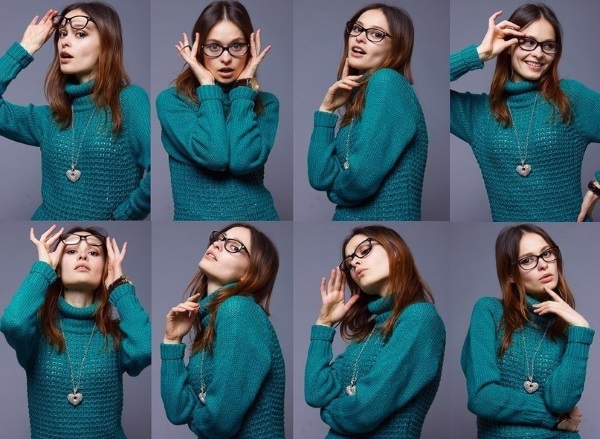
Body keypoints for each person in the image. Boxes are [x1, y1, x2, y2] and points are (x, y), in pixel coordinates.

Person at [450, 3, 600, 222]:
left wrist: (597, 186)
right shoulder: (478, 114)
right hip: (514, 235)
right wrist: (480, 53)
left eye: (548, 45)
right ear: (509, 44)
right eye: (528, 42)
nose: (538, 53)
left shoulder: (570, 97)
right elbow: (418, 84)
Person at [0, 3, 150, 220]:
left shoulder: (129, 100)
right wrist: (25, 48)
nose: (65, 42)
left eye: (80, 33)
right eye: (62, 33)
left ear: (107, 44)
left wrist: (125, 216)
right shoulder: (51, 117)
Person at [0, 224, 151, 438]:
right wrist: (44, 268)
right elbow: (13, 322)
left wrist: (120, 287)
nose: (82, 255)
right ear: (58, 269)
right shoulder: (37, 332)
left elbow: (146, 349)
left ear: (105, 269)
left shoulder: (115, 333)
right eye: (71, 251)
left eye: (93, 252)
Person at [304, 225, 445, 438]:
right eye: (350, 263)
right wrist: (324, 324)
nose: (355, 263)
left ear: (396, 252)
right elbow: (316, 393)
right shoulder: (369, 330)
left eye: (364, 251)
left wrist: (329, 411)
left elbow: (363, 411)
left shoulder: (419, 318)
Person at [462, 224, 594, 437]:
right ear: (511, 275)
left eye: (547, 253)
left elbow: (561, 401)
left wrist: (580, 331)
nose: (543, 265)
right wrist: (554, 419)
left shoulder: (567, 327)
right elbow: (483, 397)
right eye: (527, 260)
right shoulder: (489, 311)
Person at [157, 0, 279, 220]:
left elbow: (242, 162)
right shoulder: (172, 101)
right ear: (198, 48)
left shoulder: (266, 104)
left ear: (250, 49)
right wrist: (208, 87)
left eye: (236, 46)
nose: (225, 58)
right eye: (214, 46)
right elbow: (215, 156)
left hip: (260, 219)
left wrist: (243, 90)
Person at [161, 223, 285, 437]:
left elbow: (220, 423)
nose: (218, 244)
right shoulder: (213, 319)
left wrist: (200, 420)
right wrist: (172, 340)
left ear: (250, 273)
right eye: (219, 238)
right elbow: (177, 411)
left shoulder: (239, 309)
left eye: (234, 246)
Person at [307, 3, 428, 221]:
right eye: (357, 28)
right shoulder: (364, 96)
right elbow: (319, 177)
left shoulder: (388, 83)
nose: (360, 38)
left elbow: (360, 181)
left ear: (397, 48)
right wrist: (327, 110)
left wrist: (336, 192)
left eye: (376, 34)